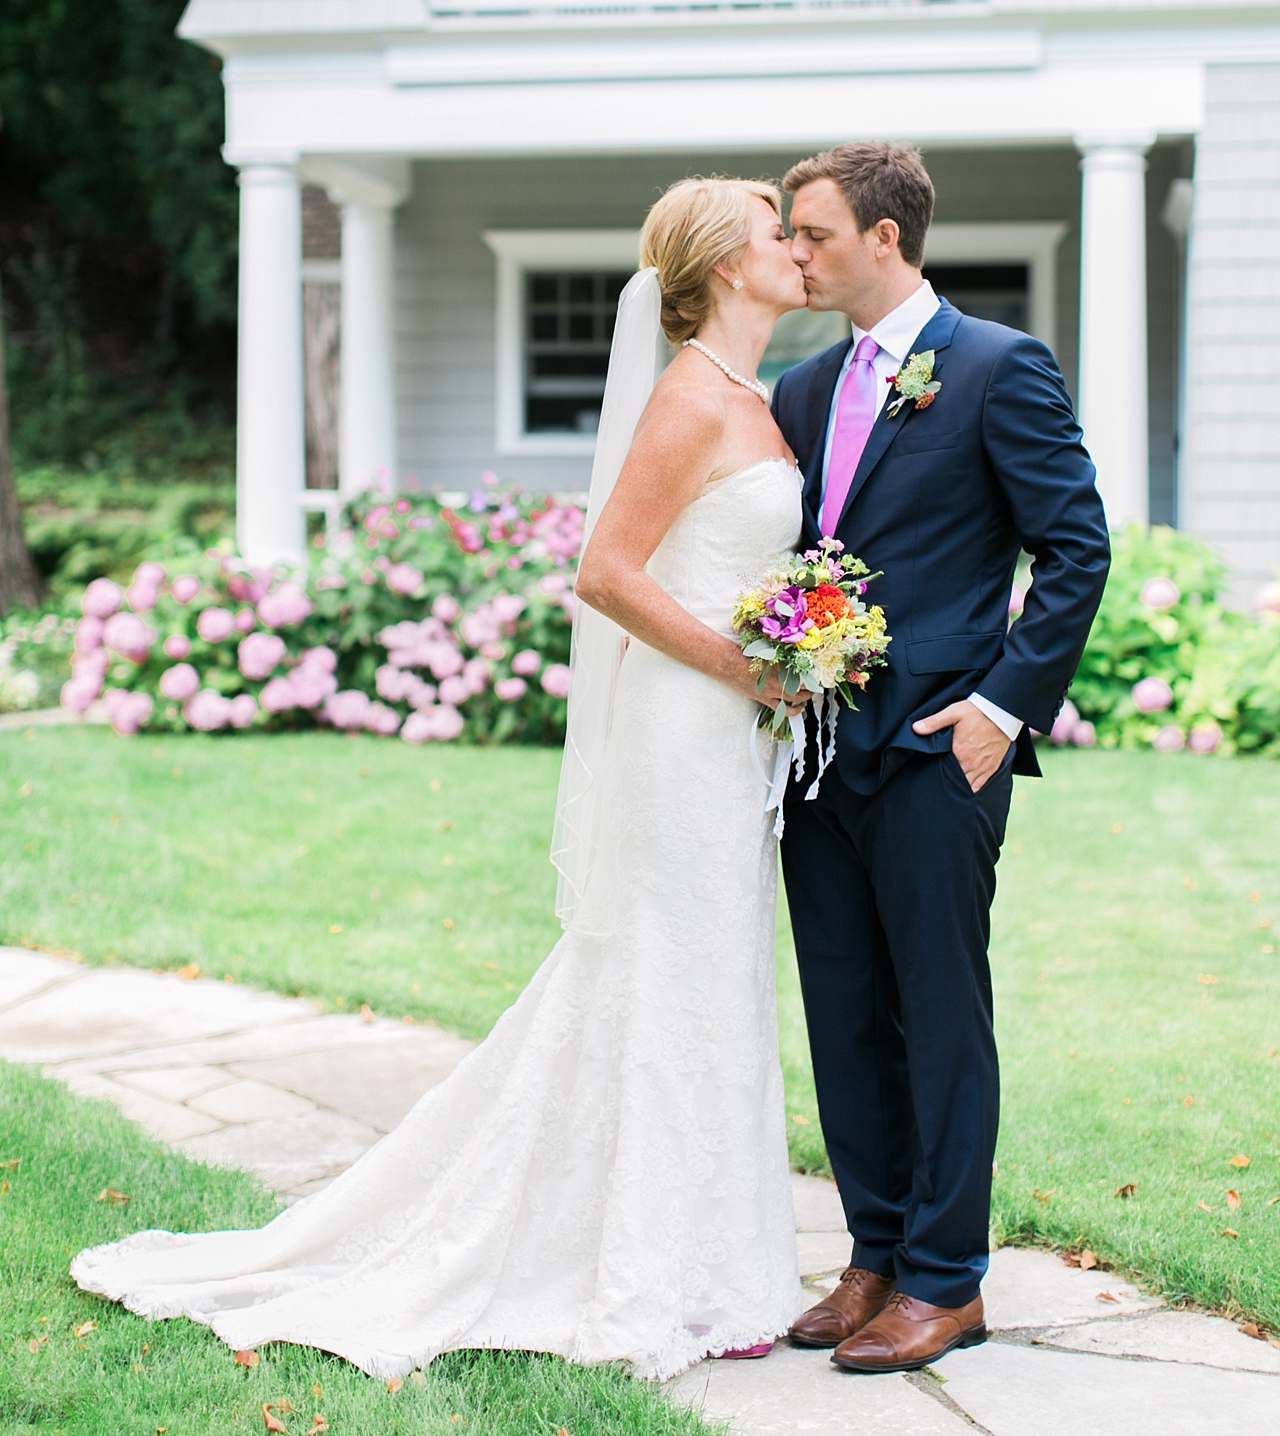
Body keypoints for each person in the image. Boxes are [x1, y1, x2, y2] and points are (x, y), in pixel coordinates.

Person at [72, 177, 811, 1381]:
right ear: (725, 264)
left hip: (734, 734)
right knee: (667, 976)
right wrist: (742, 662)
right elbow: (606, 574)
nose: (794, 246)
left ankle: (717, 1267)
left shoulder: (756, 396)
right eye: (776, 230)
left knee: (712, 979)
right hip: (683, 728)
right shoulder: (686, 399)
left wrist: (794, 648)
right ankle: (646, 1272)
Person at [771, 142, 1110, 1376]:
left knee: (935, 1007)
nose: (792, 254)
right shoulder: (801, 394)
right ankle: (871, 1253)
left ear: (882, 237)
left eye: (809, 234)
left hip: (936, 750)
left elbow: (1074, 548)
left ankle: (946, 1278)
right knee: (844, 1007)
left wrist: (999, 709)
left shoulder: (994, 367)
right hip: (813, 754)